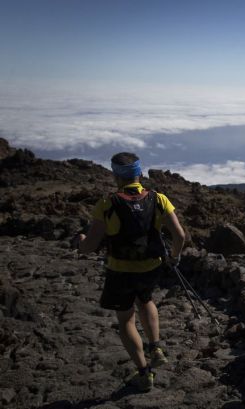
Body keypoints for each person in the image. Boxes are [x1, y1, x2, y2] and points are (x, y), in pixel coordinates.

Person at [74, 152, 186, 391]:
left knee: (126, 319)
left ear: (115, 175)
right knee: (146, 299)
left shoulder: (107, 204)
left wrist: (80, 240)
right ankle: (155, 347)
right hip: (151, 267)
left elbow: (89, 246)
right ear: (140, 173)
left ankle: (144, 373)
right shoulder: (158, 199)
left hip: (121, 271)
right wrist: (174, 258)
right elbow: (180, 235)